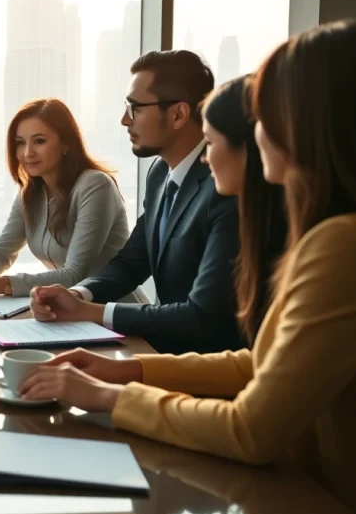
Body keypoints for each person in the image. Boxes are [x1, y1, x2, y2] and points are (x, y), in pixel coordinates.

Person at [15, 21, 356, 514]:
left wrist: (109, 396)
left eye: (266, 114)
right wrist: (126, 370)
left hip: (328, 501)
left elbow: (251, 429)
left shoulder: (345, 245)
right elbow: (259, 364)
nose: (254, 129)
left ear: (310, 124)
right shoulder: (336, 234)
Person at [30, 50, 243, 354]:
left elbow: (202, 317)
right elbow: (132, 262)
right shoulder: (159, 173)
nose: (124, 119)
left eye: (135, 108)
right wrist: (77, 295)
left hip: (209, 365)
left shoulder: (226, 186)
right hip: (161, 352)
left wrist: (91, 312)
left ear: (178, 115)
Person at [0, 98, 136, 299]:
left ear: (66, 143)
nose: (27, 153)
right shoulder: (30, 193)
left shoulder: (95, 185)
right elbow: (1, 253)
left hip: (111, 311)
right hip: (65, 310)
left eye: (39, 141)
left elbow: (74, 275)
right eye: (20, 143)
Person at [198, 74, 287, 343]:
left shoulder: (328, 241)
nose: (204, 158)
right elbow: (260, 358)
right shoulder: (261, 223)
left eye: (209, 143)